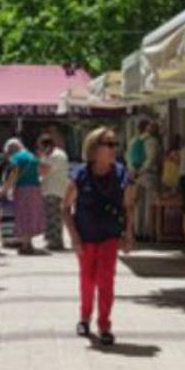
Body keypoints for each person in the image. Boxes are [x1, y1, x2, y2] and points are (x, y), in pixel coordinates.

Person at [63, 126, 136, 346]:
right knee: (87, 280)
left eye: (116, 144)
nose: (114, 149)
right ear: (94, 148)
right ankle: (84, 318)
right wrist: (74, 237)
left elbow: (128, 206)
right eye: (110, 144)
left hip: (109, 235)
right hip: (85, 235)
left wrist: (128, 234)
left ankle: (104, 325)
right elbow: (65, 208)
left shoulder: (121, 173)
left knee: (106, 281)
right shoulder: (81, 175)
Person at [2, 137, 45, 255]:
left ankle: (25, 245)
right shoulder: (32, 156)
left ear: (13, 148)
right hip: (35, 188)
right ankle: (29, 243)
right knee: (32, 215)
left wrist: (5, 189)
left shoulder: (16, 158)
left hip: (22, 189)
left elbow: (13, 174)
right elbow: (42, 170)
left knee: (22, 215)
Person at [38, 132, 71, 250]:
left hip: (54, 189)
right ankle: (53, 240)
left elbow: (44, 170)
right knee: (54, 216)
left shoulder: (54, 155)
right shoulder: (58, 153)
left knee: (53, 216)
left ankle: (55, 242)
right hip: (57, 188)